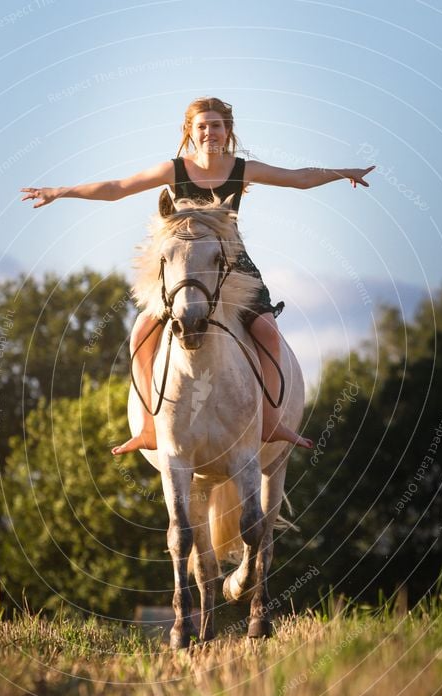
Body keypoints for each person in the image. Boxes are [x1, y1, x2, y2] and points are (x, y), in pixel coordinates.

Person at [21, 96, 374, 455]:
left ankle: (271, 420)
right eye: (202, 126)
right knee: (141, 333)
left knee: (268, 332)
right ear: (190, 131)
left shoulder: (242, 169)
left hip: (232, 267)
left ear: (227, 130)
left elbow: (299, 178)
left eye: (216, 125)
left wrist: (344, 172)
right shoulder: (175, 170)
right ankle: (147, 426)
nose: (209, 132)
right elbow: (118, 189)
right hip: (184, 268)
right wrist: (60, 192)